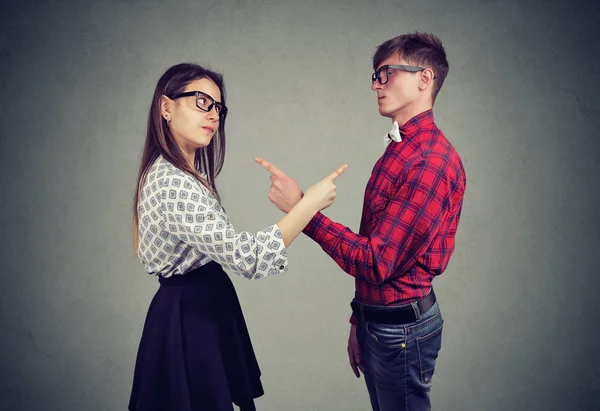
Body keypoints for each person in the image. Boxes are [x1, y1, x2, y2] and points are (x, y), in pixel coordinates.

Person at [256, 32, 466, 411]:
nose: (375, 85)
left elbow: (375, 261)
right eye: (374, 76)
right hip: (380, 322)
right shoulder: (401, 149)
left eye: (386, 74)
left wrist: (303, 210)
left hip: (401, 330)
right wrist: (360, 319)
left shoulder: (428, 163)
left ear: (424, 78)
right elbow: (376, 245)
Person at [128, 63, 347, 411]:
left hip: (203, 308)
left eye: (217, 107)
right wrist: (308, 204)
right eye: (201, 102)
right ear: (166, 107)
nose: (213, 115)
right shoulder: (171, 182)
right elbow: (250, 258)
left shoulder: (185, 173)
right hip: (188, 319)